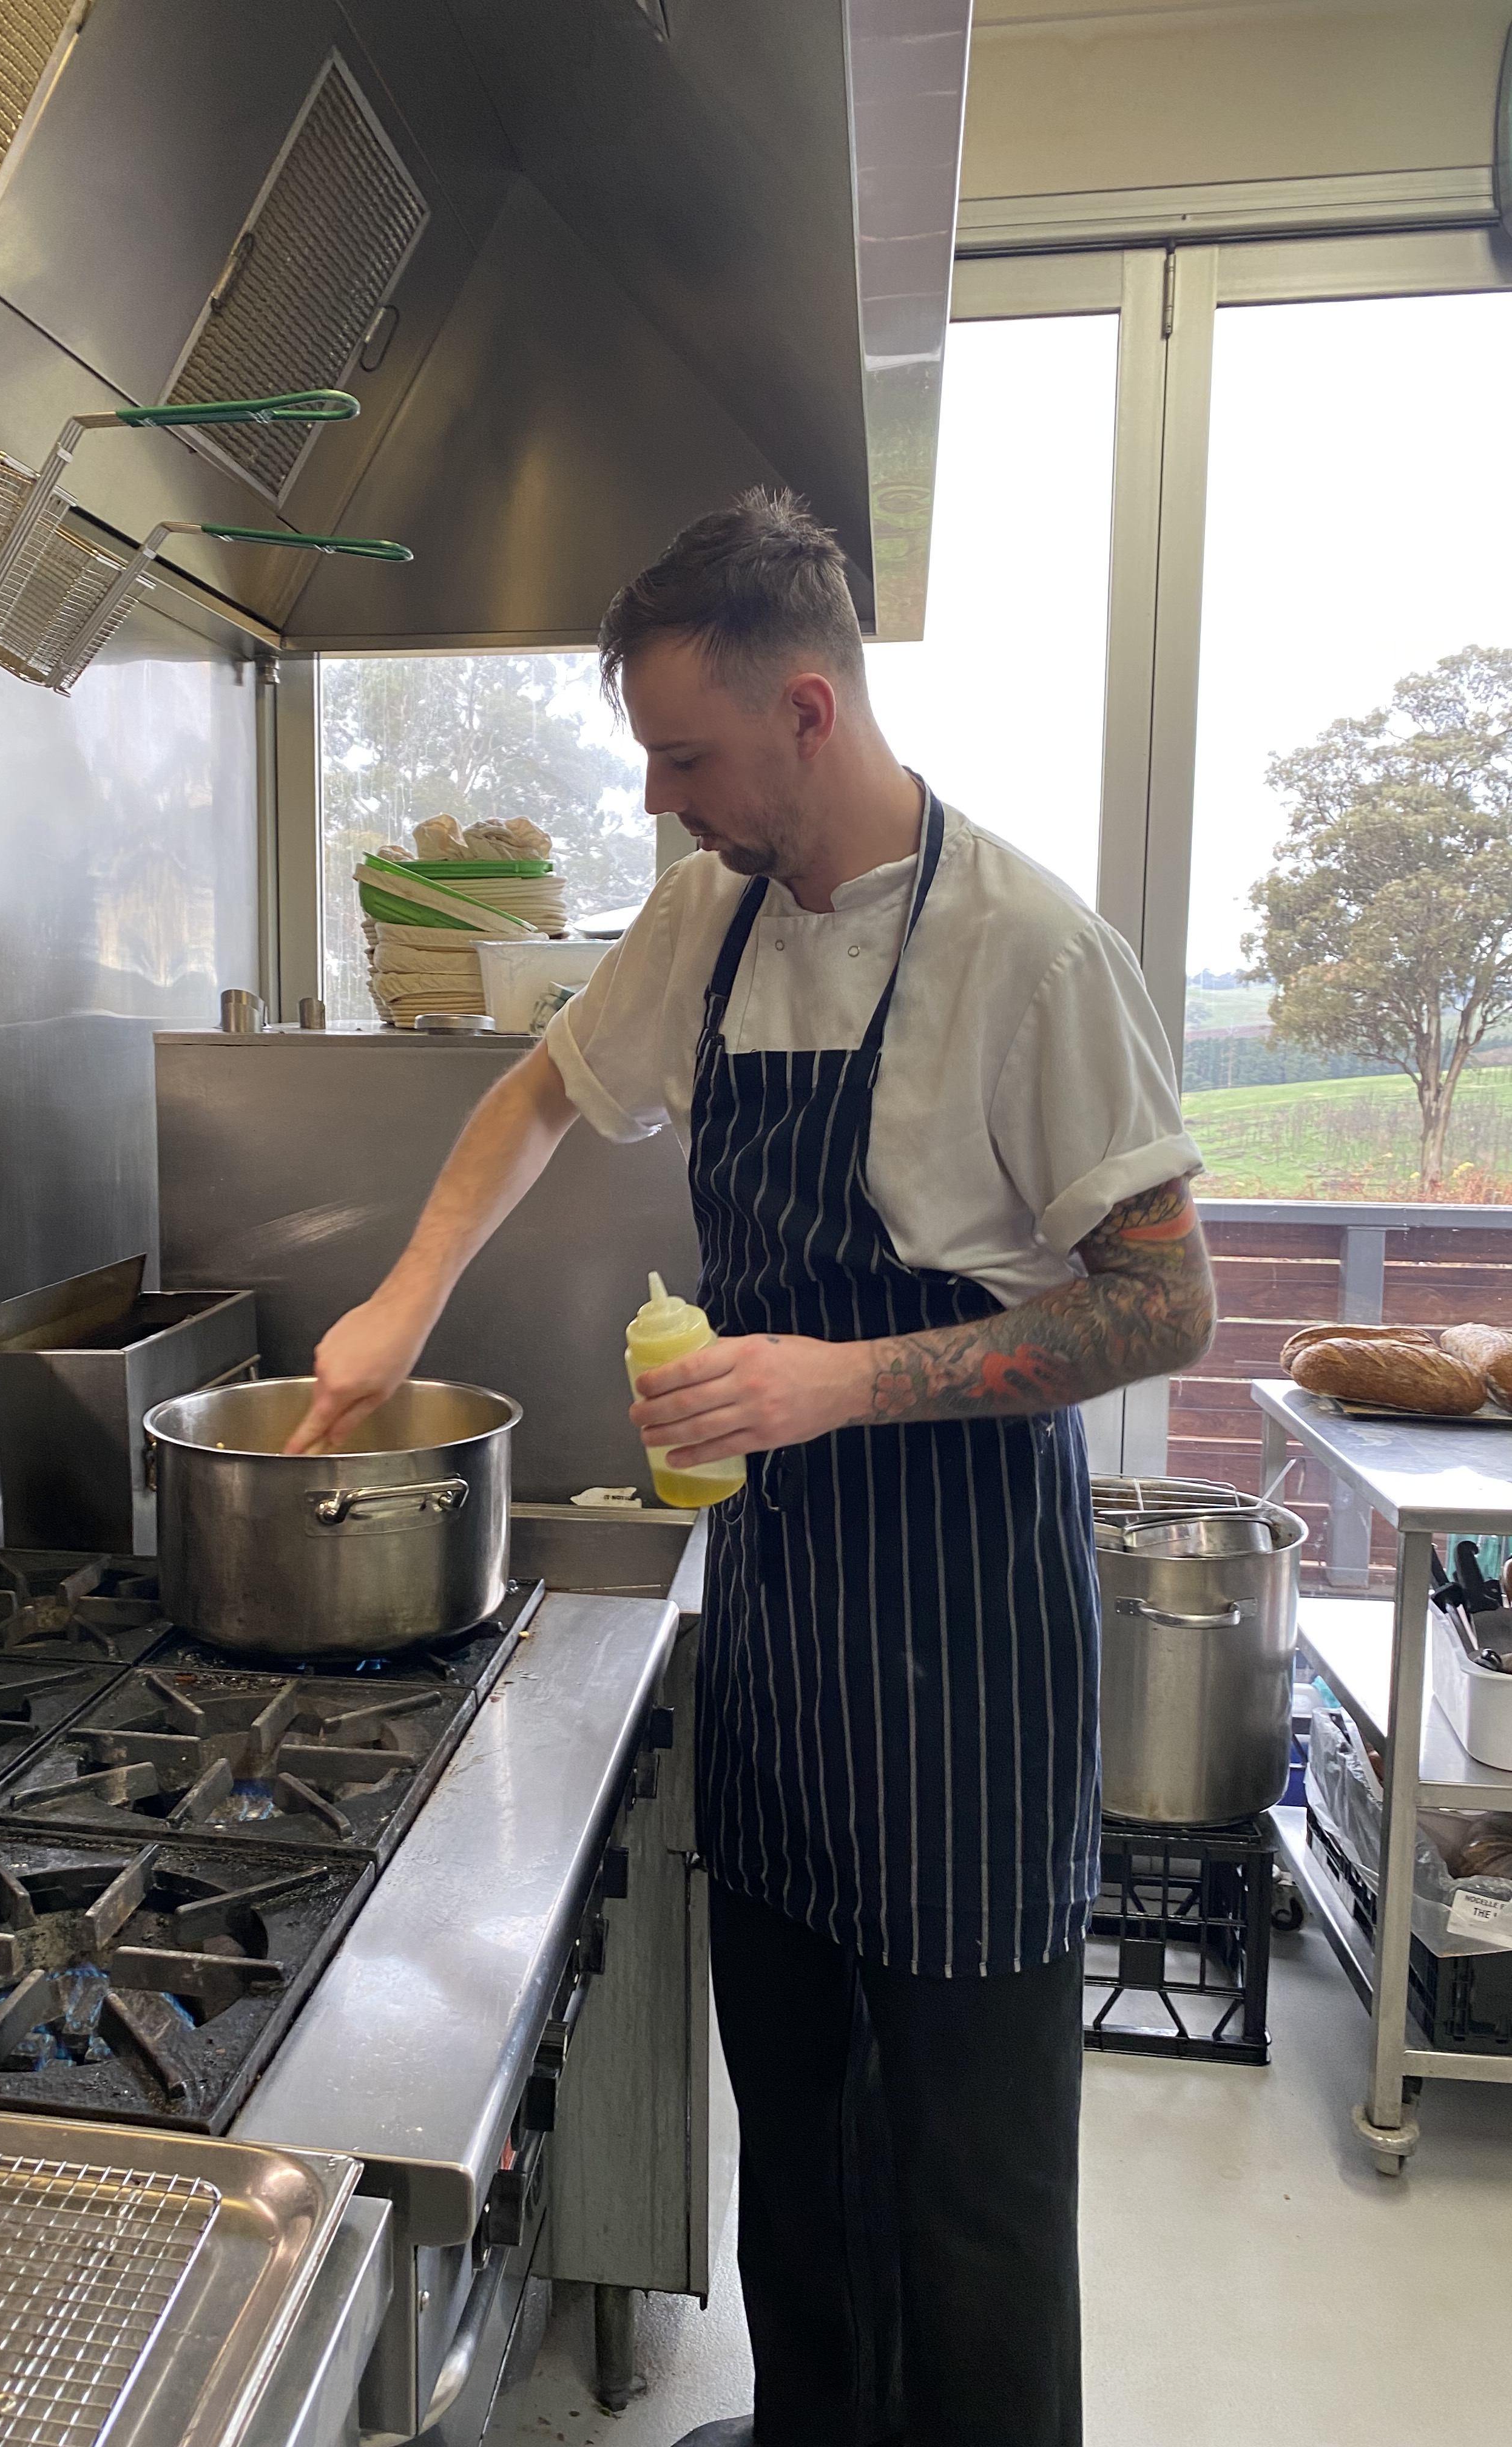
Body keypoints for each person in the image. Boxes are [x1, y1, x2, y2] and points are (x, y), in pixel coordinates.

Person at [288, 490, 1215, 2447]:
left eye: (685, 757)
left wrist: (841, 1381)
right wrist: (400, 1302)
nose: (659, 800)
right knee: (795, 2127)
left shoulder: (1029, 950)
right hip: (787, 1621)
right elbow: (544, 1090)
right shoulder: (707, 918)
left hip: (966, 1640)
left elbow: (1163, 1308)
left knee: (967, 2190)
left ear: (809, 710)